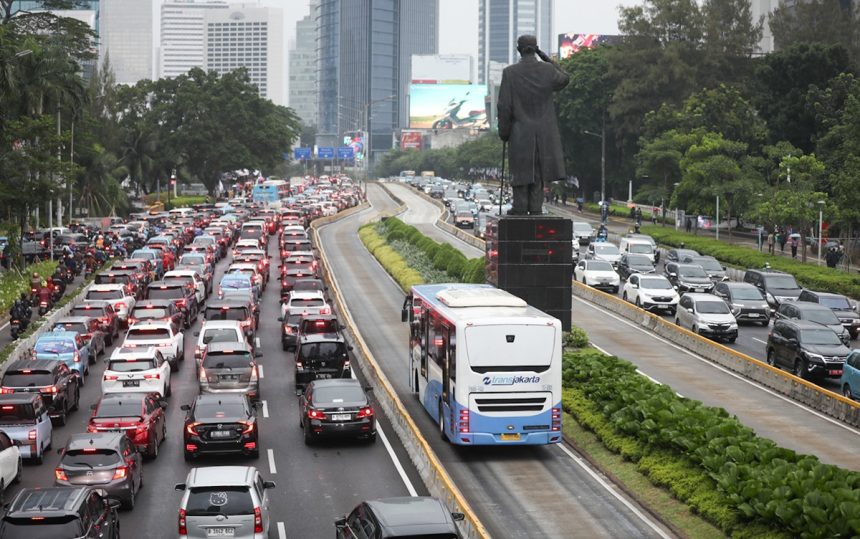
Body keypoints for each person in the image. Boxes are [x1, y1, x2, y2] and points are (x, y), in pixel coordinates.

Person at [497, 35, 570, 215]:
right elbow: (565, 78)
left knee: (521, 171)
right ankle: (535, 208)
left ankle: (520, 206)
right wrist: (547, 58)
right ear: (536, 48)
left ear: (518, 49)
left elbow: (504, 106)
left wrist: (504, 132)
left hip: (520, 131)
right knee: (538, 173)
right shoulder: (547, 71)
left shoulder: (510, 73)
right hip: (544, 132)